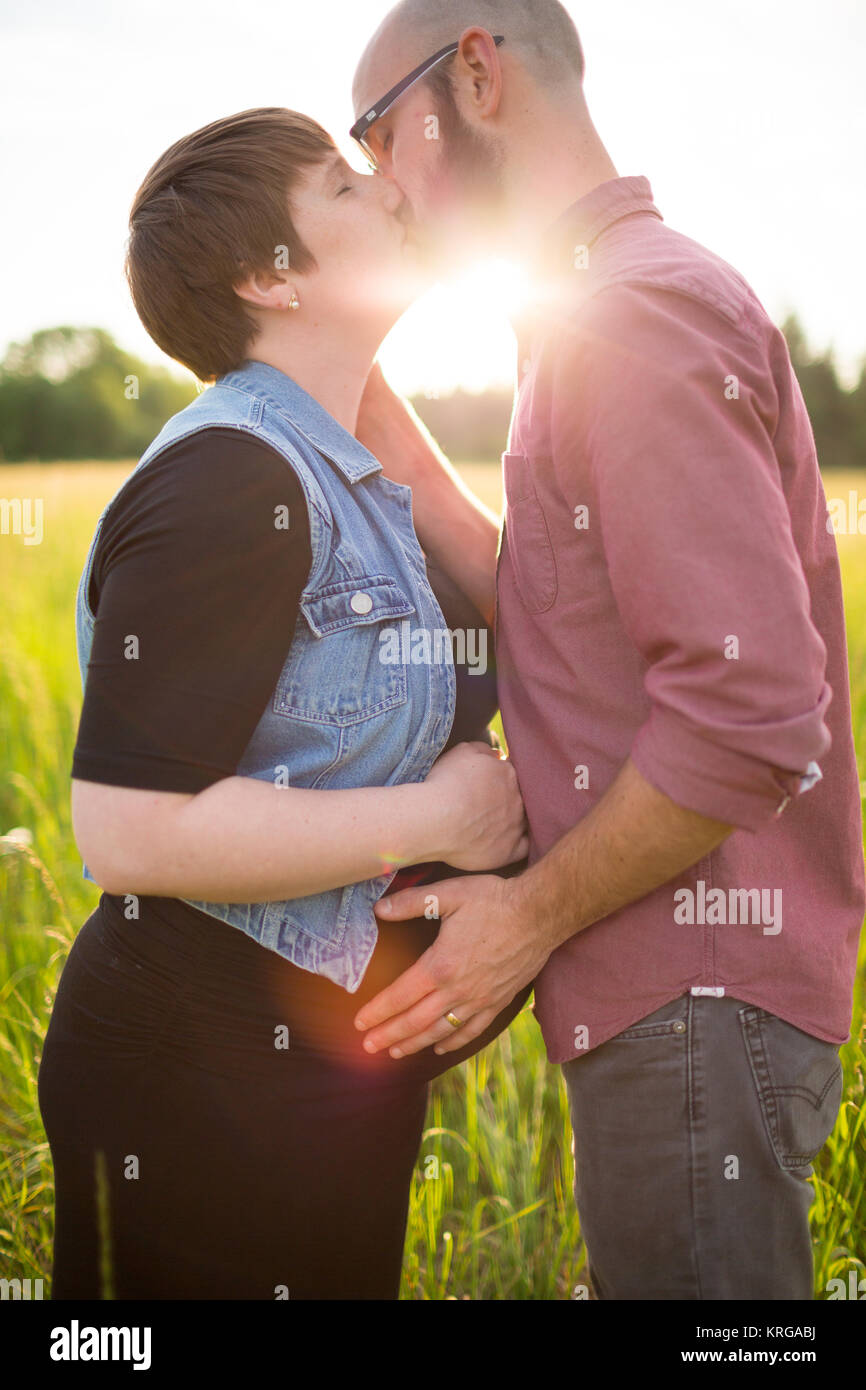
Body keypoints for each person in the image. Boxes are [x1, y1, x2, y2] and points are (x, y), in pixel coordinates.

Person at [349, 0, 866, 1300]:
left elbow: (746, 713)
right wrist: (337, 374)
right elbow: (551, 614)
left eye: (375, 137)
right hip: (679, 1005)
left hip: (695, 1000)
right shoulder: (593, 314)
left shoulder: (632, 319)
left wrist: (520, 919)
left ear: (472, 74)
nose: (377, 190)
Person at [36, 106, 531, 1301]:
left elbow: (537, 622)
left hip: (310, 1070)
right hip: (196, 1068)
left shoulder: (339, 476)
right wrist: (444, 820)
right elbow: (129, 832)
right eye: (343, 186)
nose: (388, 189)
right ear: (272, 274)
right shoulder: (231, 478)